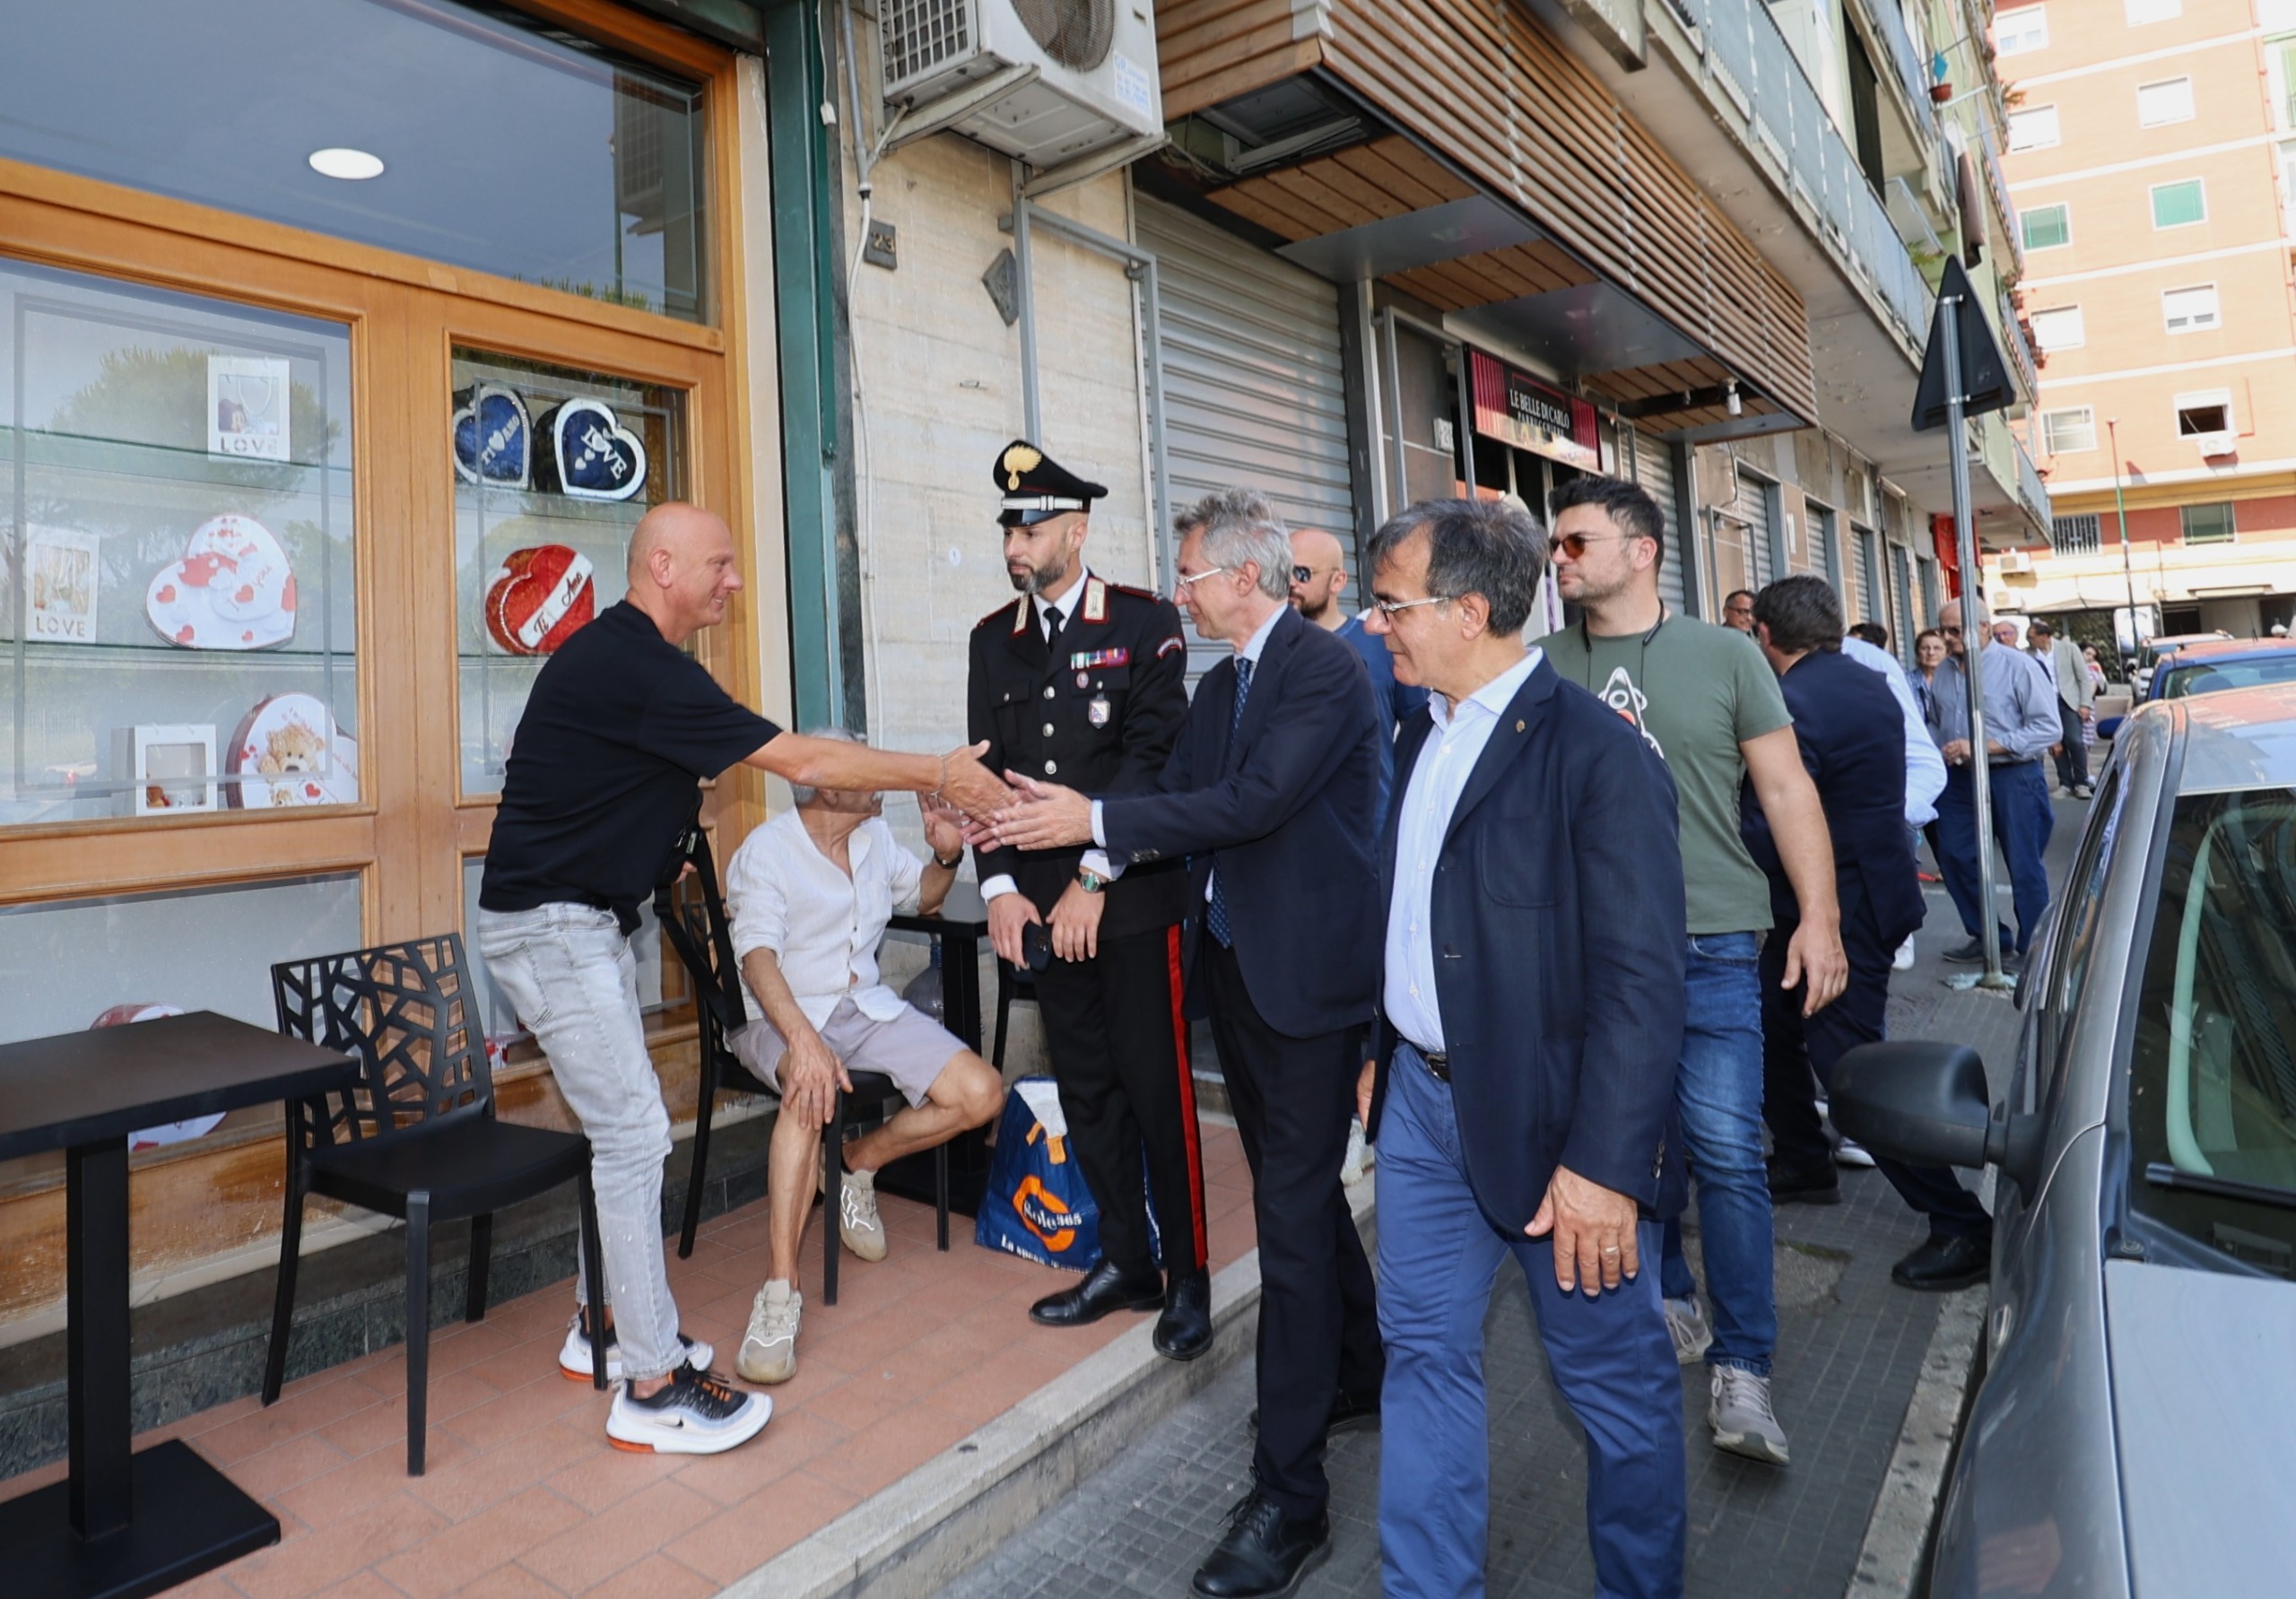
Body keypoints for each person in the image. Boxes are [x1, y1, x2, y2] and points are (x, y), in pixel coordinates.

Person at [476, 501, 1007, 1455]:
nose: (732, 580)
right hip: (555, 929)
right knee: (636, 1134)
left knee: (620, 1131)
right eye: (718, 565)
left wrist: (653, 849)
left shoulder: (638, 667)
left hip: (573, 924)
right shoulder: (632, 660)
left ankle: (602, 1323)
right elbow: (802, 759)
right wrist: (940, 769)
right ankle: (650, 1383)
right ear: (664, 565)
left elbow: (601, 784)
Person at [986, 489, 1385, 1599]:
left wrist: (1094, 825)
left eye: (1194, 573)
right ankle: (1360, 1370)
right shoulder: (1224, 681)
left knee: (1294, 1229)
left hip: (1307, 989)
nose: (1182, 590)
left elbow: (1250, 802)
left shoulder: (1318, 670)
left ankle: (1288, 1501)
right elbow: (1171, 784)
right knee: (1291, 1188)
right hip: (1246, 981)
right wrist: (1064, 829)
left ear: (1247, 578)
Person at [1355, 497, 1690, 1599]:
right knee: (1423, 1360)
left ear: (1466, 609)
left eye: (1392, 604)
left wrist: (1604, 1169)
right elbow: (1414, 912)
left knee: (1615, 1393)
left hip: (1559, 1134)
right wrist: (1386, 1040)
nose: (1373, 624)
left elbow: (1642, 984)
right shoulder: (1418, 728)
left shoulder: (1597, 755)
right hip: (1418, 1110)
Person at [1539, 474, 1844, 1469]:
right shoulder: (1539, 669)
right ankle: (1667, 1298)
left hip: (1712, 940)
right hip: (1588, 956)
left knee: (1722, 1151)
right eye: (1555, 544)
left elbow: (1786, 787)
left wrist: (1820, 919)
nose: (1560, 559)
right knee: (1632, 1145)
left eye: (1578, 542)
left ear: (1642, 549)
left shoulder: (1725, 656)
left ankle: (1743, 1363)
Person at [966, 441, 1211, 1360]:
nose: (1013, 545)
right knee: (1088, 1089)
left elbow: (1156, 768)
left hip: (1132, 904)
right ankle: (1126, 1260)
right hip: (1040, 916)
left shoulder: (1144, 625)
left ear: (1076, 528)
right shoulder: (995, 640)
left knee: (1158, 1095)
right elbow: (984, 778)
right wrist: (996, 889)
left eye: (1029, 528)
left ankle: (1188, 1275)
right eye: (1007, 528)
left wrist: (1091, 878)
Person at [723, 734, 1004, 1385]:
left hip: (865, 1008)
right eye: (863, 766)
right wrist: (804, 1043)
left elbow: (926, 898)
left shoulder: (874, 838)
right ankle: (778, 1293)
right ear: (826, 782)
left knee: (981, 1092)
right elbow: (757, 958)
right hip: (783, 1014)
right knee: (809, 1089)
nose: (879, 774)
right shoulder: (767, 851)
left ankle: (857, 1163)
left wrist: (945, 850)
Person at [1747, 578, 1993, 1290]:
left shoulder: (1792, 701)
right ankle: (1800, 1155)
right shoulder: (1866, 680)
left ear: (1765, 635)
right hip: (1861, 893)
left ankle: (1960, 1222)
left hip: (1841, 910)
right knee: (1772, 1019)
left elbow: (1777, 818)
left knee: (1851, 1069)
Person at [1925, 598, 2060, 967]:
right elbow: (1937, 719)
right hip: (1959, 779)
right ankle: (1988, 936)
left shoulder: (2019, 667)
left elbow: (2048, 728)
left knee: (2023, 863)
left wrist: (1984, 746)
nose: (1947, 638)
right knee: (1953, 854)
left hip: (2013, 775)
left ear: (1983, 627)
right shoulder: (1947, 671)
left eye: (1955, 630)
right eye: (1942, 630)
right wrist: (1938, 748)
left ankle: (2033, 945)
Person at [2024, 619, 2093, 799]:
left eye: (2032, 637)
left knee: (2075, 741)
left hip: (2067, 701)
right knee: (2056, 743)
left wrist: (2085, 703)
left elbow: (2083, 678)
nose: (2029, 640)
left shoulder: (2068, 649)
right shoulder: (2029, 654)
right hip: (2045, 704)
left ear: (2045, 636)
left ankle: (2082, 782)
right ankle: (2065, 783)